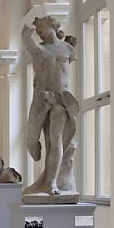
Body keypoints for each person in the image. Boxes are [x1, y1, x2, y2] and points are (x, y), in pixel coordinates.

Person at [22, 16, 79, 197]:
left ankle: (51, 182)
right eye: (37, 30)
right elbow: (27, 39)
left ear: (53, 26)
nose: (39, 32)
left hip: (61, 98)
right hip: (41, 97)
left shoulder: (68, 49)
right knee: (32, 140)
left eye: (41, 28)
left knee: (55, 140)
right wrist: (28, 30)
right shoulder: (39, 49)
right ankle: (34, 148)